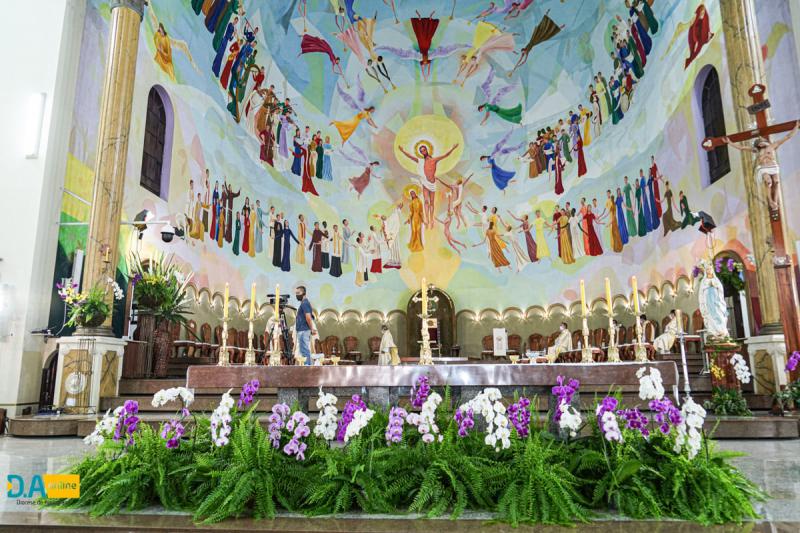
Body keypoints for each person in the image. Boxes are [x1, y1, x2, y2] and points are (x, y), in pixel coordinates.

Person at [724, 121, 799, 214]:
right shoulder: (756, 150)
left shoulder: (772, 146)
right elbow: (742, 148)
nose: (760, 143)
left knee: (776, 182)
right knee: (769, 183)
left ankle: (774, 202)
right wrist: (730, 143)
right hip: (763, 169)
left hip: (773, 166)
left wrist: (797, 126)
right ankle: (770, 200)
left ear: (765, 142)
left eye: (761, 142)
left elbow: (788, 136)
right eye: (758, 143)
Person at [698, 262, 729, 339]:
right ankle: (713, 332)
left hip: (716, 302)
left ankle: (721, 331)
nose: (709, 270)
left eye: (710, 269)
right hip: (708, 302)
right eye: (707, 269)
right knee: (710, 316)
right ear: (705, 271)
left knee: (719, 314)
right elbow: (701, 293)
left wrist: (714, 285)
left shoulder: (716, 280)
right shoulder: (703, 281)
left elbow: (721, 290)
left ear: (712, 270)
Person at [295, 286, 316, 366]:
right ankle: (307, 366)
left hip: (303, 330)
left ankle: (307, 367)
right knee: (304, 350)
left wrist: (312, 329)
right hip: (302, 330)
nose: (297, 295)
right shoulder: (304, 303)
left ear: (304, 293)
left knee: (305, 351)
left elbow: (308, 317)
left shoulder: (305, 303)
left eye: (298, 293)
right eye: (296, 293)